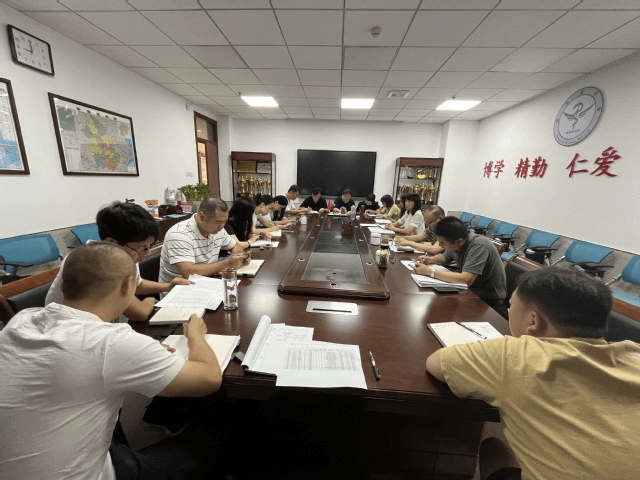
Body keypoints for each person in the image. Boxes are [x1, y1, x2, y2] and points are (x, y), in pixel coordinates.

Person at [0, 242, 223, 479]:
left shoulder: (21, 321)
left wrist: (137, 354)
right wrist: (196, 335)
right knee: (212, 441)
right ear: (128, 286)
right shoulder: (112, 343)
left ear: (63, 284)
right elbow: (210, 378)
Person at [426, 268, 640, 480]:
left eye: (511, 306)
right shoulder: (634, 354)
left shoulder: (515, 355)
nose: (509, 311)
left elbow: (436, 364)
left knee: (492, 447)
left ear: (533, 322)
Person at [45, 201, 192, 322]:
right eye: (142, 248)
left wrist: (168, 286)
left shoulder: (122, 253)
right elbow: (140, 313)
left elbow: (136, 284)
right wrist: (150, 301)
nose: (147, 254)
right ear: (112, 242)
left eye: (149, 247)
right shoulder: (93, 263)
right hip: (71, 332)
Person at [413, 216, 507, 317]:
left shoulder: (479, 245)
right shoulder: (457, 242)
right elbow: (445, 257)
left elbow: (466, 279)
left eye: (442, 243)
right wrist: (430, 260)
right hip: (470, 293)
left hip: (488, 303)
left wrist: (430, 272)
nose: (440, 246)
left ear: (459, 241)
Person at [159, 198, 248, 283]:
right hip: (180, 288)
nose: (222, 227)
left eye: (225, 221)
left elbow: (235, 246)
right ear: (202, 217)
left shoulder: (217, 230)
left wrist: (239, 258)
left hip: (207, 281)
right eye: (218, 222)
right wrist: (227, 264)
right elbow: (188, 273)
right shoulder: (179, 234)